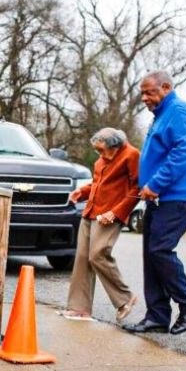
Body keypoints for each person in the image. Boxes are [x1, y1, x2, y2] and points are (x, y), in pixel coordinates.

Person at [123, 71, 186, 335]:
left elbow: (183, 153)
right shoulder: (160, 116)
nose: (145, 98)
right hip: (159, 198)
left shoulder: (179, 111)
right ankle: (157, 316)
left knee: (160, 249)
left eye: (150, 92)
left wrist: (155, 184)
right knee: (151, 254)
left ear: (167, 87)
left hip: (179, 196)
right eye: (143, 93)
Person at [60, 128, 140, 322]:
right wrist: (82, 192)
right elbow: (98, 184)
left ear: (116, 146)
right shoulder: (102, 160)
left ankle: (125, 298)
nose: (100, 155)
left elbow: (137, 188)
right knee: (81, 258)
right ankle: (79, 309)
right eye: (97, 151)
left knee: (98, 254)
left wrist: (116, 213)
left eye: (103, 150)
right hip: (90, 212)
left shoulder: (131, 155)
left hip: (110, 214)